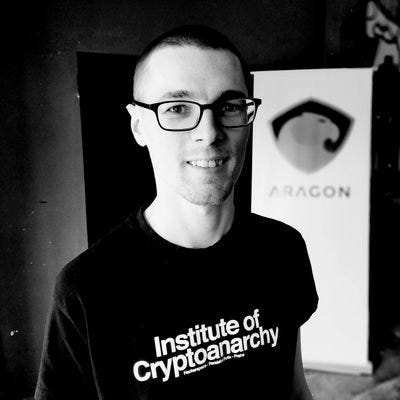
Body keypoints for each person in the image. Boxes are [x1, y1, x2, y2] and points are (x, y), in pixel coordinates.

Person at [35, 25, 318, 400]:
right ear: (139, 126)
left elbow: (294, 389)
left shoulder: (282, 248)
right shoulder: (85, 289)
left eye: (229, 106)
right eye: (178, 109)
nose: (209, 132)